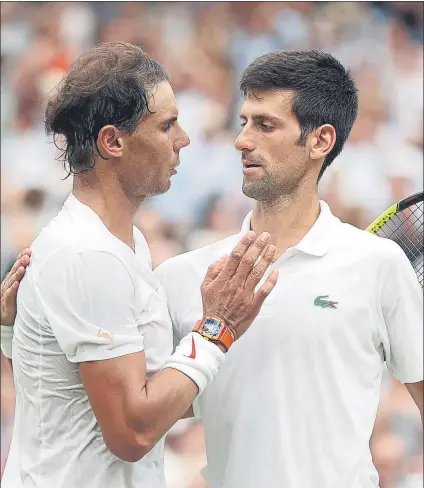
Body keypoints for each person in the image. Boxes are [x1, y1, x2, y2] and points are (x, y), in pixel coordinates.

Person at [3, 49, 423, 488]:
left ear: (320, 141)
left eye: (264, 124)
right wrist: (29, 329)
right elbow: (125, 408)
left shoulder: (377, 265)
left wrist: (18, 334)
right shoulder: (182, 276)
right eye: (243, 122)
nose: (241, 140)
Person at [0, 41, 279, 488]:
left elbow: (74, 390)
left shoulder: (123, 243)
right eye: (167, 125)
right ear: (113, 141)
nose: (183, 140)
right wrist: (217, 328)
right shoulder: (89, 256)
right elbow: (132, 431)